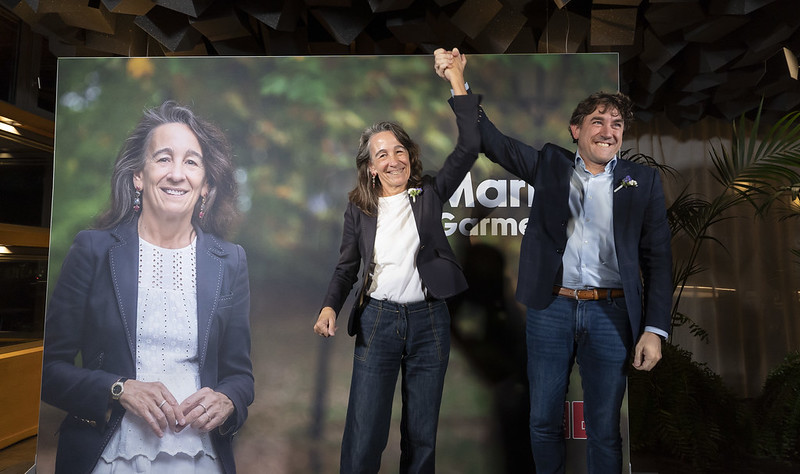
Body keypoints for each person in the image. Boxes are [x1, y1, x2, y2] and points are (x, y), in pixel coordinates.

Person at [434, 49, 673, 473]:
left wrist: (654, 329)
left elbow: (658, 259)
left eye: (617, 124)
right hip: (552, 308)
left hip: (611, 311)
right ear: (576, 129)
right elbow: (492, 141)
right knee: (543, 420)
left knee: (603, 427)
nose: (608, 130)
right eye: (598, 121)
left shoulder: (644, 182)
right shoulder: (550, 164)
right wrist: (457, 81)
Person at [41, 101, 254, 474]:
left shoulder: (231, 261)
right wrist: (119, 388)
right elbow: (47, 370)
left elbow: (240, 375)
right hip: (109, 455)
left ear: (206, 184)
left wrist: (228, 399)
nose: (177, 173)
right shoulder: (92, 249)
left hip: (200, 458)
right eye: (163, 159)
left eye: (191, 162)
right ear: (138, 175)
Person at [313, 58, 478, 473]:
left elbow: (470, 146)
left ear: (410, 156)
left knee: (421, 438)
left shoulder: (430, 193)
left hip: (430, 323)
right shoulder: (358, 209)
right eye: (382, 154)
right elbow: (346, 266)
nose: (393, 160)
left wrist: (456, 79)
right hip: (378, 322)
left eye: (399, 150)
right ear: (371, 167)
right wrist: (330, 305)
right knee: (365, 433)